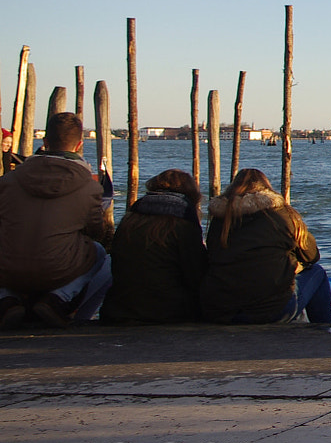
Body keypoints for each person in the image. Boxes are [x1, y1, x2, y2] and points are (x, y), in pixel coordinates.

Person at [0, 112, 114, 328]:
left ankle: (6, 299)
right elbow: (95, 230)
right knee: (101, 253)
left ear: (45, 142)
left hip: (8, 269)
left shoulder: (8, 180)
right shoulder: (90, 186)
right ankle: (60, 300)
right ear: (79, 144)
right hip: (59, 271)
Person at [200, 168, 330, 324]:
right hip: (272, 312)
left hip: (223, 311)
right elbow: (311, 255)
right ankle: (323, 330)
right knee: (317, 273)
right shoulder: (282, 214)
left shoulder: (220, 220)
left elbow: (213, 255)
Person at [100, 169, 207, 324]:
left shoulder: (132, 217)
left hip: (120, 308)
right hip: (167, 311)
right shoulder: (183, 221)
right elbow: (195, 272)